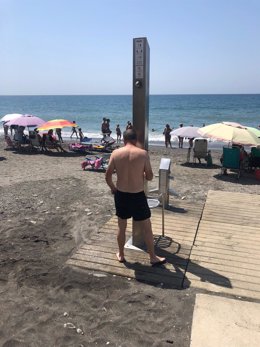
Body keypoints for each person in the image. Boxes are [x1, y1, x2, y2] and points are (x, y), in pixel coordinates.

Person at [105, 128, 166, 266]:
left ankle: (121, 254)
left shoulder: (115, 153)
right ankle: (152, 257)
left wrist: (113, 189)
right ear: (135, 140)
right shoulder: (143, 154)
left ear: (124, 140)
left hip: (121, 194)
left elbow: (107, 176)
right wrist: (142, 175)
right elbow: (150, 176)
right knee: (146, 227)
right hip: (137, 195)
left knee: (121, 226)